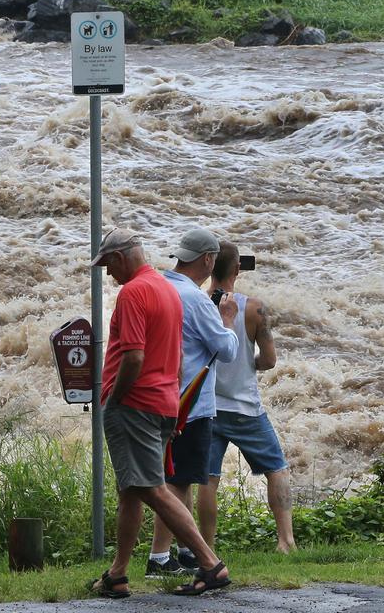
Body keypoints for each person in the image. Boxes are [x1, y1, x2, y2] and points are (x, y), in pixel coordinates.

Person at [88, 228, 230, 598]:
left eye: (107, 265)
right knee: (131, 489)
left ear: (120, 258)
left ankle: (210, 564)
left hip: (135, 404)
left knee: (151, 487)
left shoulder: (134, 292)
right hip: (165, 401)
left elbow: (133, 356)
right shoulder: (169, 289)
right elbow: (179, 356)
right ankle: (118, 574)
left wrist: (115, 398)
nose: (107, 274)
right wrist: (173, 403)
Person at [147, 229, 237, 577]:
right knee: (176, 481)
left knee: (177, 475)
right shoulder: (196, 299)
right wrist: (226, 318)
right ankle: (159, 558)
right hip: (190, 402)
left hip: (160, 395)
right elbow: (225, 350)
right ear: (208, 260)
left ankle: (185, 552)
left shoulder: (160, 287)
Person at [198, 242, 295, 554]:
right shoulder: (254, 308)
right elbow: (269, 360)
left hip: (207, 406)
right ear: (237, 269)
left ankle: (207, 548)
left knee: (208, 479)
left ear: (209, 265)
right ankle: (285, 541)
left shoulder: (196, 303)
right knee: (276, 468)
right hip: (245, 407)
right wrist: (246, 363)